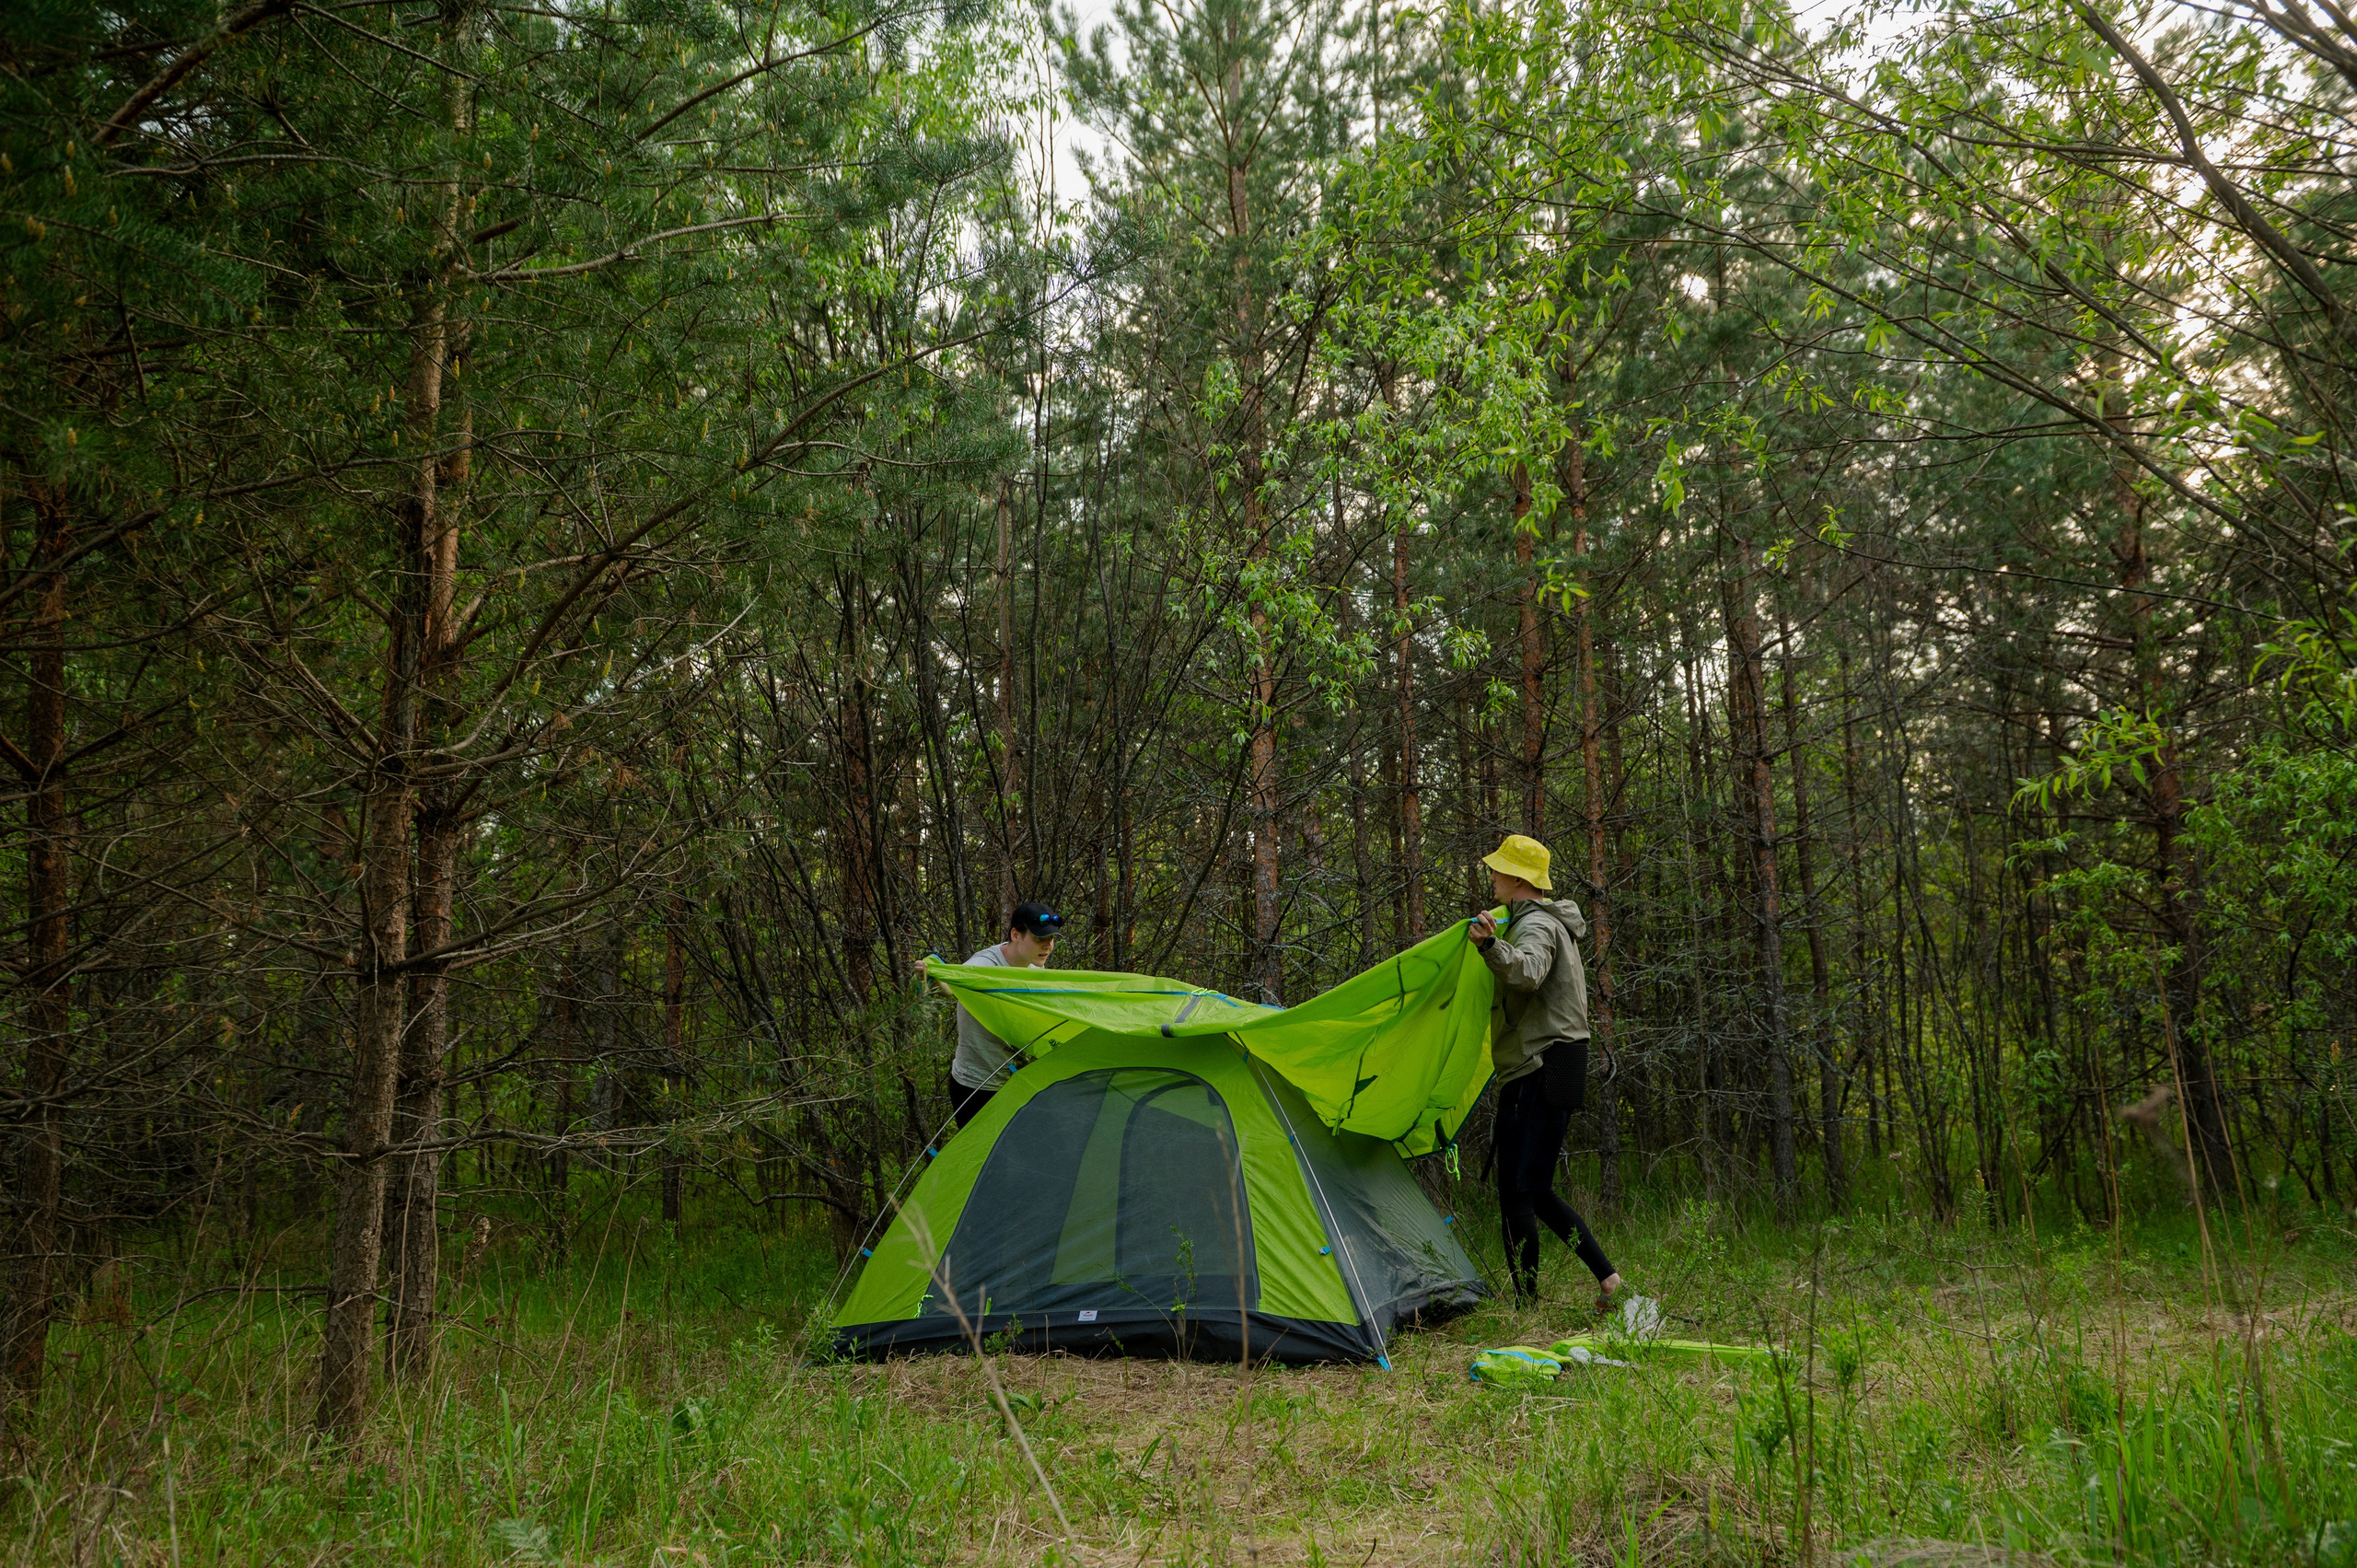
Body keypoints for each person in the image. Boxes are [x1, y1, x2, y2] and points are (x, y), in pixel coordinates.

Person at [1469, 834, 1625, 1308]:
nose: (1491, 876)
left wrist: (1491, 946)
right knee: (1530, 1188)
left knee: (1520, 1191)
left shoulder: (1535, 923)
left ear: (1518, 879)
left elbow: (1530, 971)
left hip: (1540, 1064)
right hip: (1553, 1062)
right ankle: (1608, 1283)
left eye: (1498, 870)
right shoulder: (1546, 920)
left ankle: (1529, 1305)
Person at [923, 901, 1064, 1127]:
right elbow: (952, 988)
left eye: (1051, 939)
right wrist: (934, 974)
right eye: (1039, 938)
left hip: (1016, 1081)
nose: (1047, 946)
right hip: (977, 1087)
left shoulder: (1035, 967)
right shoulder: (984, 965)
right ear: (1016, 934)